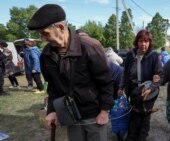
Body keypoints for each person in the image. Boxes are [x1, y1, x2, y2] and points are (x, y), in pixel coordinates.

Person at [27, 4, 114, 141]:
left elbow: (106, 82)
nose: (43, 39)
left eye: (45, 33)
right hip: (69, 114)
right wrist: (52, 110)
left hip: (94, 115)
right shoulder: (46, 54)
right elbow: (53, 86)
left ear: (60, 27)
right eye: (41, 34)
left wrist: (104, 111)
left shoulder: (89, 46)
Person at [118, 29, 163, 141]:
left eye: (146, 41)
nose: (143, 44)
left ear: (150, 43)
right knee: (134, 113)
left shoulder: (154, 56)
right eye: (141, 41)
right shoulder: (130, 54)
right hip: (133, 90)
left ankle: (142, 138)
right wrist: (121, 86)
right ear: (137, 42)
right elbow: (125, 72)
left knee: (145, 116)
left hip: (147, 91)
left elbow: (159, 76)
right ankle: (131, 137)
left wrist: (151, 88)